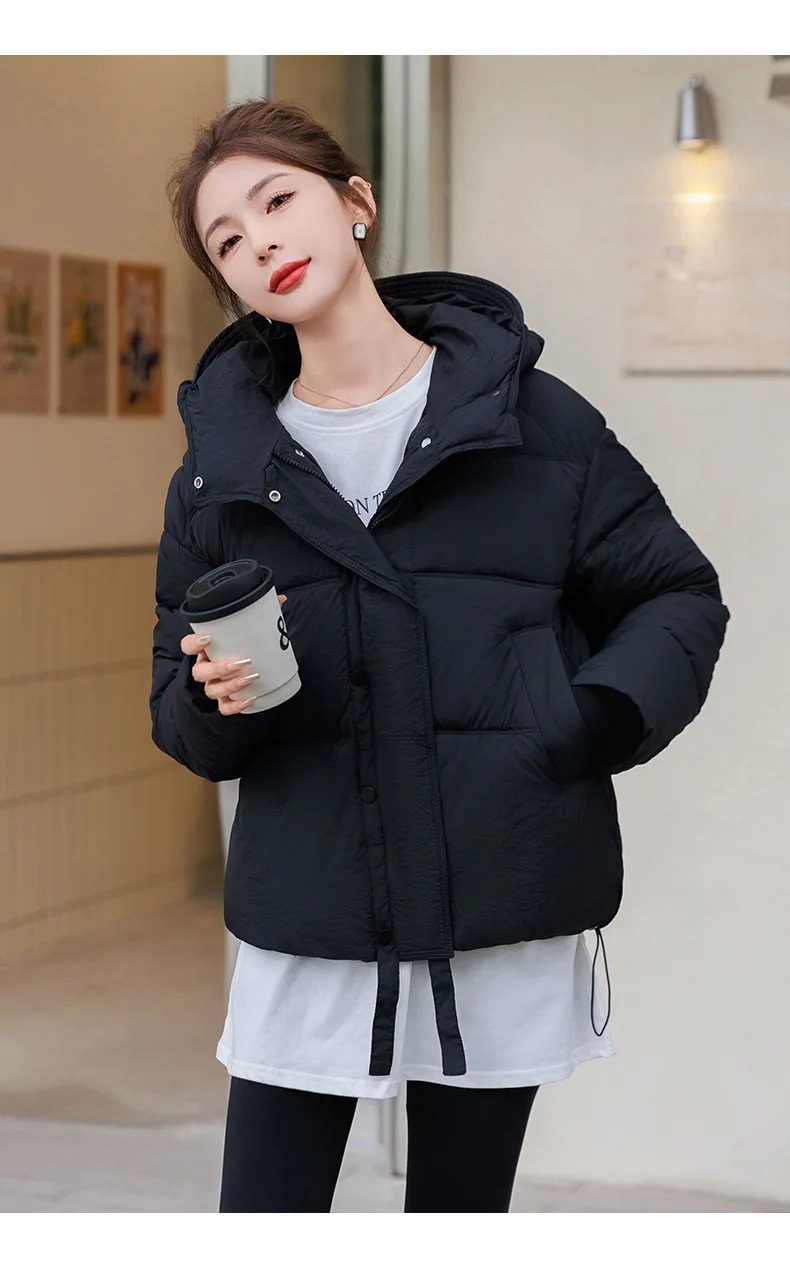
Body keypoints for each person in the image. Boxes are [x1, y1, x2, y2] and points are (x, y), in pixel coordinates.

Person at [151, 97, 730, 1213]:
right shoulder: (219, 472)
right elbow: (175, 705)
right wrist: (214, 698)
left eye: (278, 201)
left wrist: (589, 717)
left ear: (355, 203)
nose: (261, 241)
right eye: (228, 239)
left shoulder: (536, 422)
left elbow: (674, 593)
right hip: (310, 912)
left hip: (495, 895)